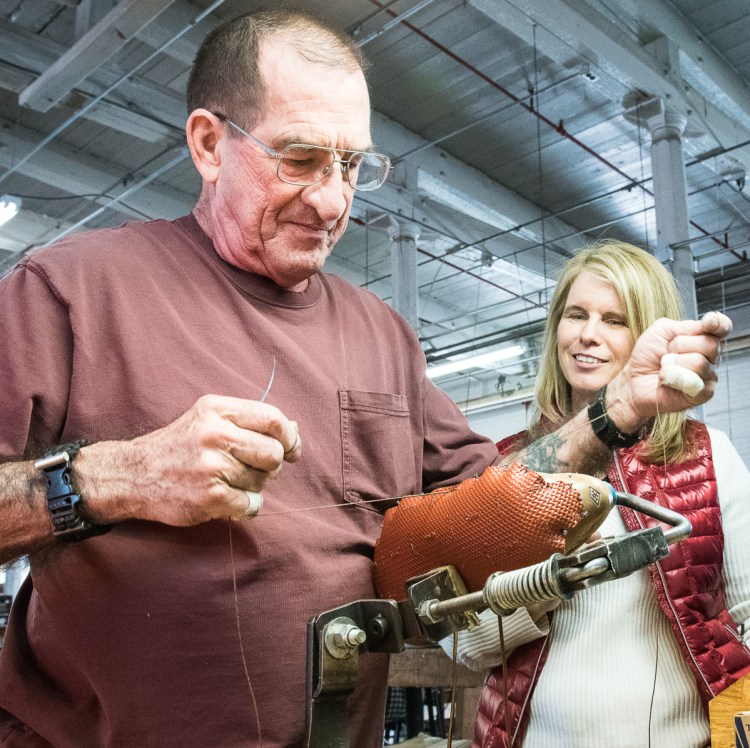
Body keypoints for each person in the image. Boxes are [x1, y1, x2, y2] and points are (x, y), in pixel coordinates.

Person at [0, 9, 731, 746]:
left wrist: (612, 413)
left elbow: (495, 501)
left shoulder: (381, 334)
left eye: (351, 165)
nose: (331, 201)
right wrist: (113, 478)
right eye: (299, 158)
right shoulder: (72, 290)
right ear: (209, 143)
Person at [444, 241, 750, 748]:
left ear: (651, 334)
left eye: (615, 320)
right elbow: (466, 642)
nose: (588, 334)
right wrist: (542, 586)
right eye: (576, 314)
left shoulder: (707, 454)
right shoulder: (509, 465)